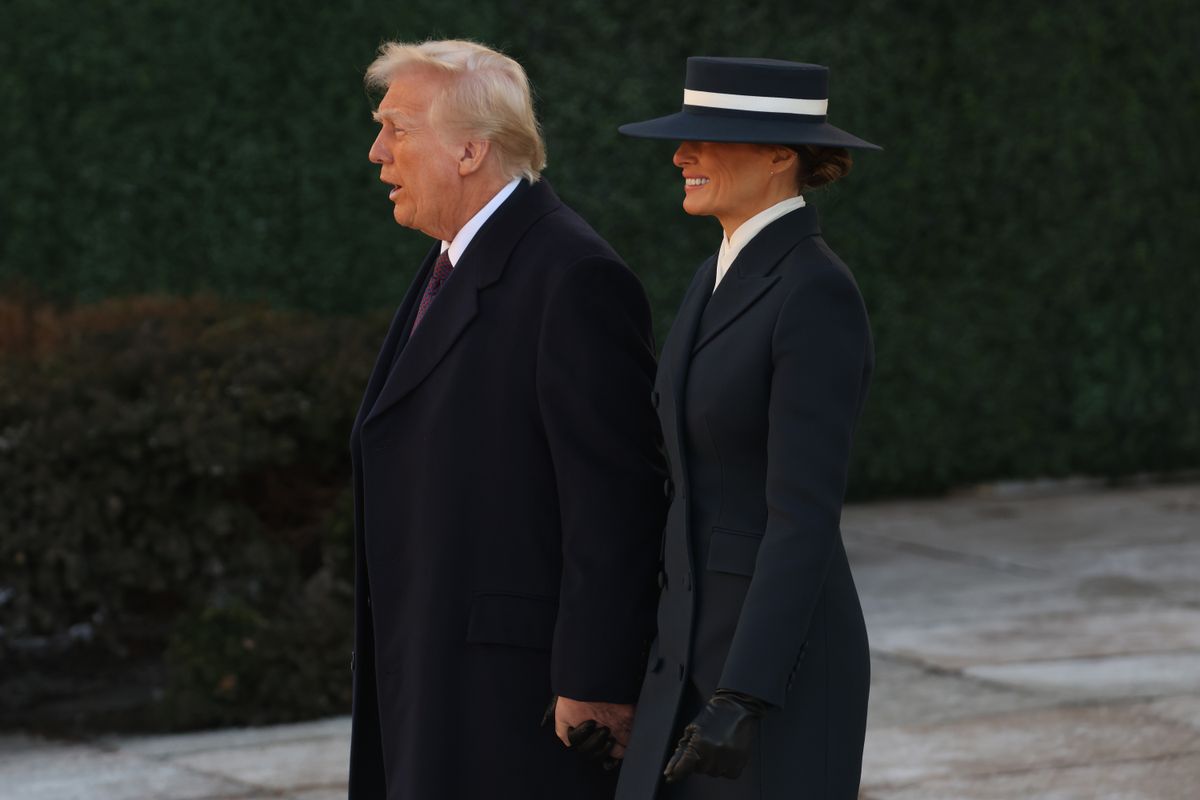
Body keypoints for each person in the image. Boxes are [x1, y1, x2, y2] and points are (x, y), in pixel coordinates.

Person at [348, 39, 667, 800]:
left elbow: (615, 500)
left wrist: (596, 680)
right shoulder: (456, 260)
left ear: (469, 150)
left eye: (397, 128)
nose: (376, 152)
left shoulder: (572, 276)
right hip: (438, 670)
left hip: (512, 700)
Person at [613, 57, 882, 799]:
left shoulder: (815, 289)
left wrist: (745, 696)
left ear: (778, 157)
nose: (680, 156)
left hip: (770, 677)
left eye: (709, 139)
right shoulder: (714, 275)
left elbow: (802, 516)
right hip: (688, 661)